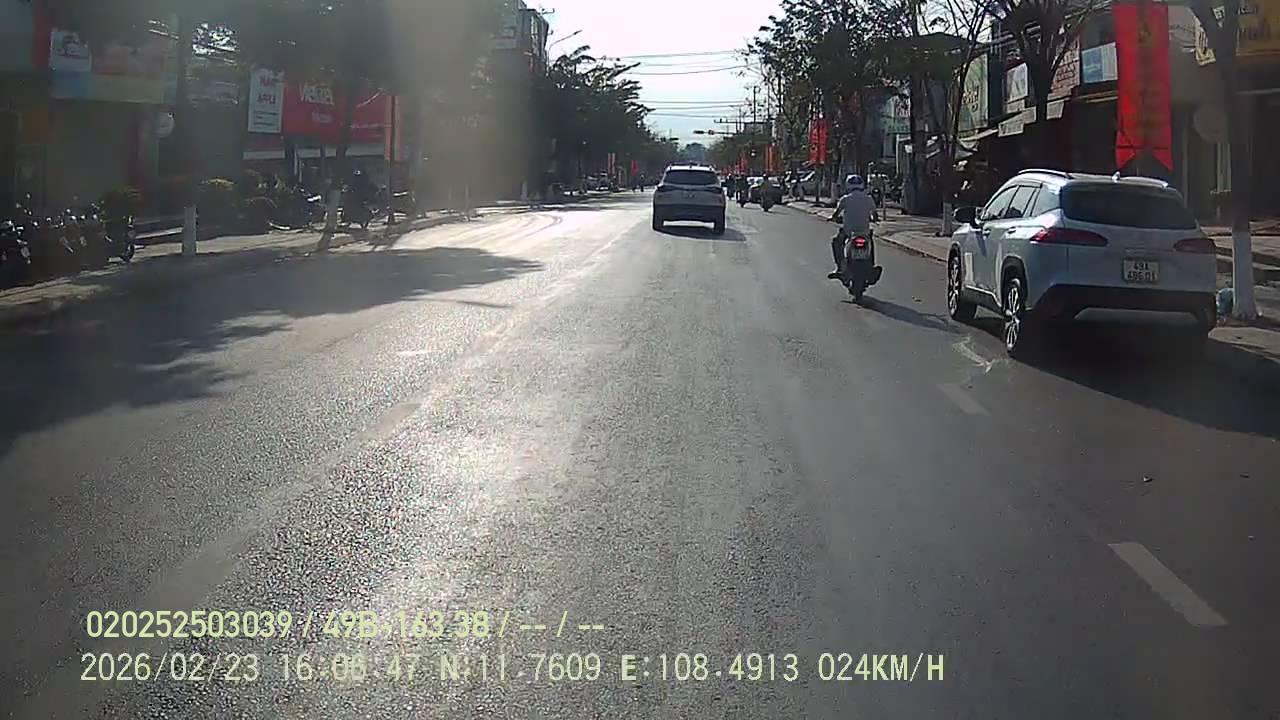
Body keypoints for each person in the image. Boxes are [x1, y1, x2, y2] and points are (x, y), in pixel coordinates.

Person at [829, 174, 879, 279]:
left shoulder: (845, 199)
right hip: (864, 232)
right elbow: (875, 215)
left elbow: (836, 214)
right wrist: (874, 219)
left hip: (848, 232)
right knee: (870, 242)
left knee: (836, 242)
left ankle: (839, 268)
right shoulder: (868, 199)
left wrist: (833, 218)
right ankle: (871, 265)